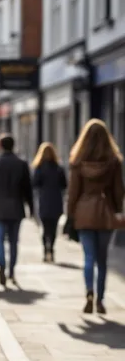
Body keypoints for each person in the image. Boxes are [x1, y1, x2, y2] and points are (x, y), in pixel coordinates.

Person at [67, 119, 124, 314]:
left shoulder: (77, 161)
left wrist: (70, 215)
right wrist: (117, 210)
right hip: (105, 213)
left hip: (84, 213)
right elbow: (118, 191)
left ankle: (89, 292)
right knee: (103, 260)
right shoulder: (114, 162)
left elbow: (73, 192)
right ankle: (101, 299)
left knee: (88, 258)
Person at [0, 133, 34, 287]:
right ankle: (11, 270)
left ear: (0, 145)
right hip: (16, 209)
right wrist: (31, 208)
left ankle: (1, 265)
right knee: (13, 241)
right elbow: (28, 189)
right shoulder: (22, 164)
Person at [32, 142, 67, 263]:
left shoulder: (39, 168)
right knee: (53, 228)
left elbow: (35, 184)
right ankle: (51, 248)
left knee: (45, 228)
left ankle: (45, 250)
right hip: (56, 201)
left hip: (44, 201)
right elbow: (64, 185)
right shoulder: (59, 168)